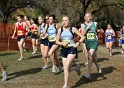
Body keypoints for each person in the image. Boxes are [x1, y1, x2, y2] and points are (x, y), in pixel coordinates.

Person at [56, 16, 85, 88]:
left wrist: (78, 43)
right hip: (64, 50)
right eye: (63, 20)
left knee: (65, 67)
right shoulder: (60, 30)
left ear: (69, 21)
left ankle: (65, 85)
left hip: (72, 49)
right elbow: (56, 41)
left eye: (66, 20)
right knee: (66, 68)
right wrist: (62, 43)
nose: (64, 22)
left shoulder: (73, 29)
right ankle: (76, 68)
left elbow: (83, 37)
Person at [81, 13, 102, 79]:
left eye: (88, 17)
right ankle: (98, 66)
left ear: (91, 17)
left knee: (89, 56)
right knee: (93, 57)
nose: (86, 18)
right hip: (87, 42)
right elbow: (82, 35)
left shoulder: (95, 23)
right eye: (86, 17)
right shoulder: (83, 25)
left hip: (94, 42)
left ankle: (88, 74)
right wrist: (86, 30)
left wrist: (100, 30)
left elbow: (96, 31)